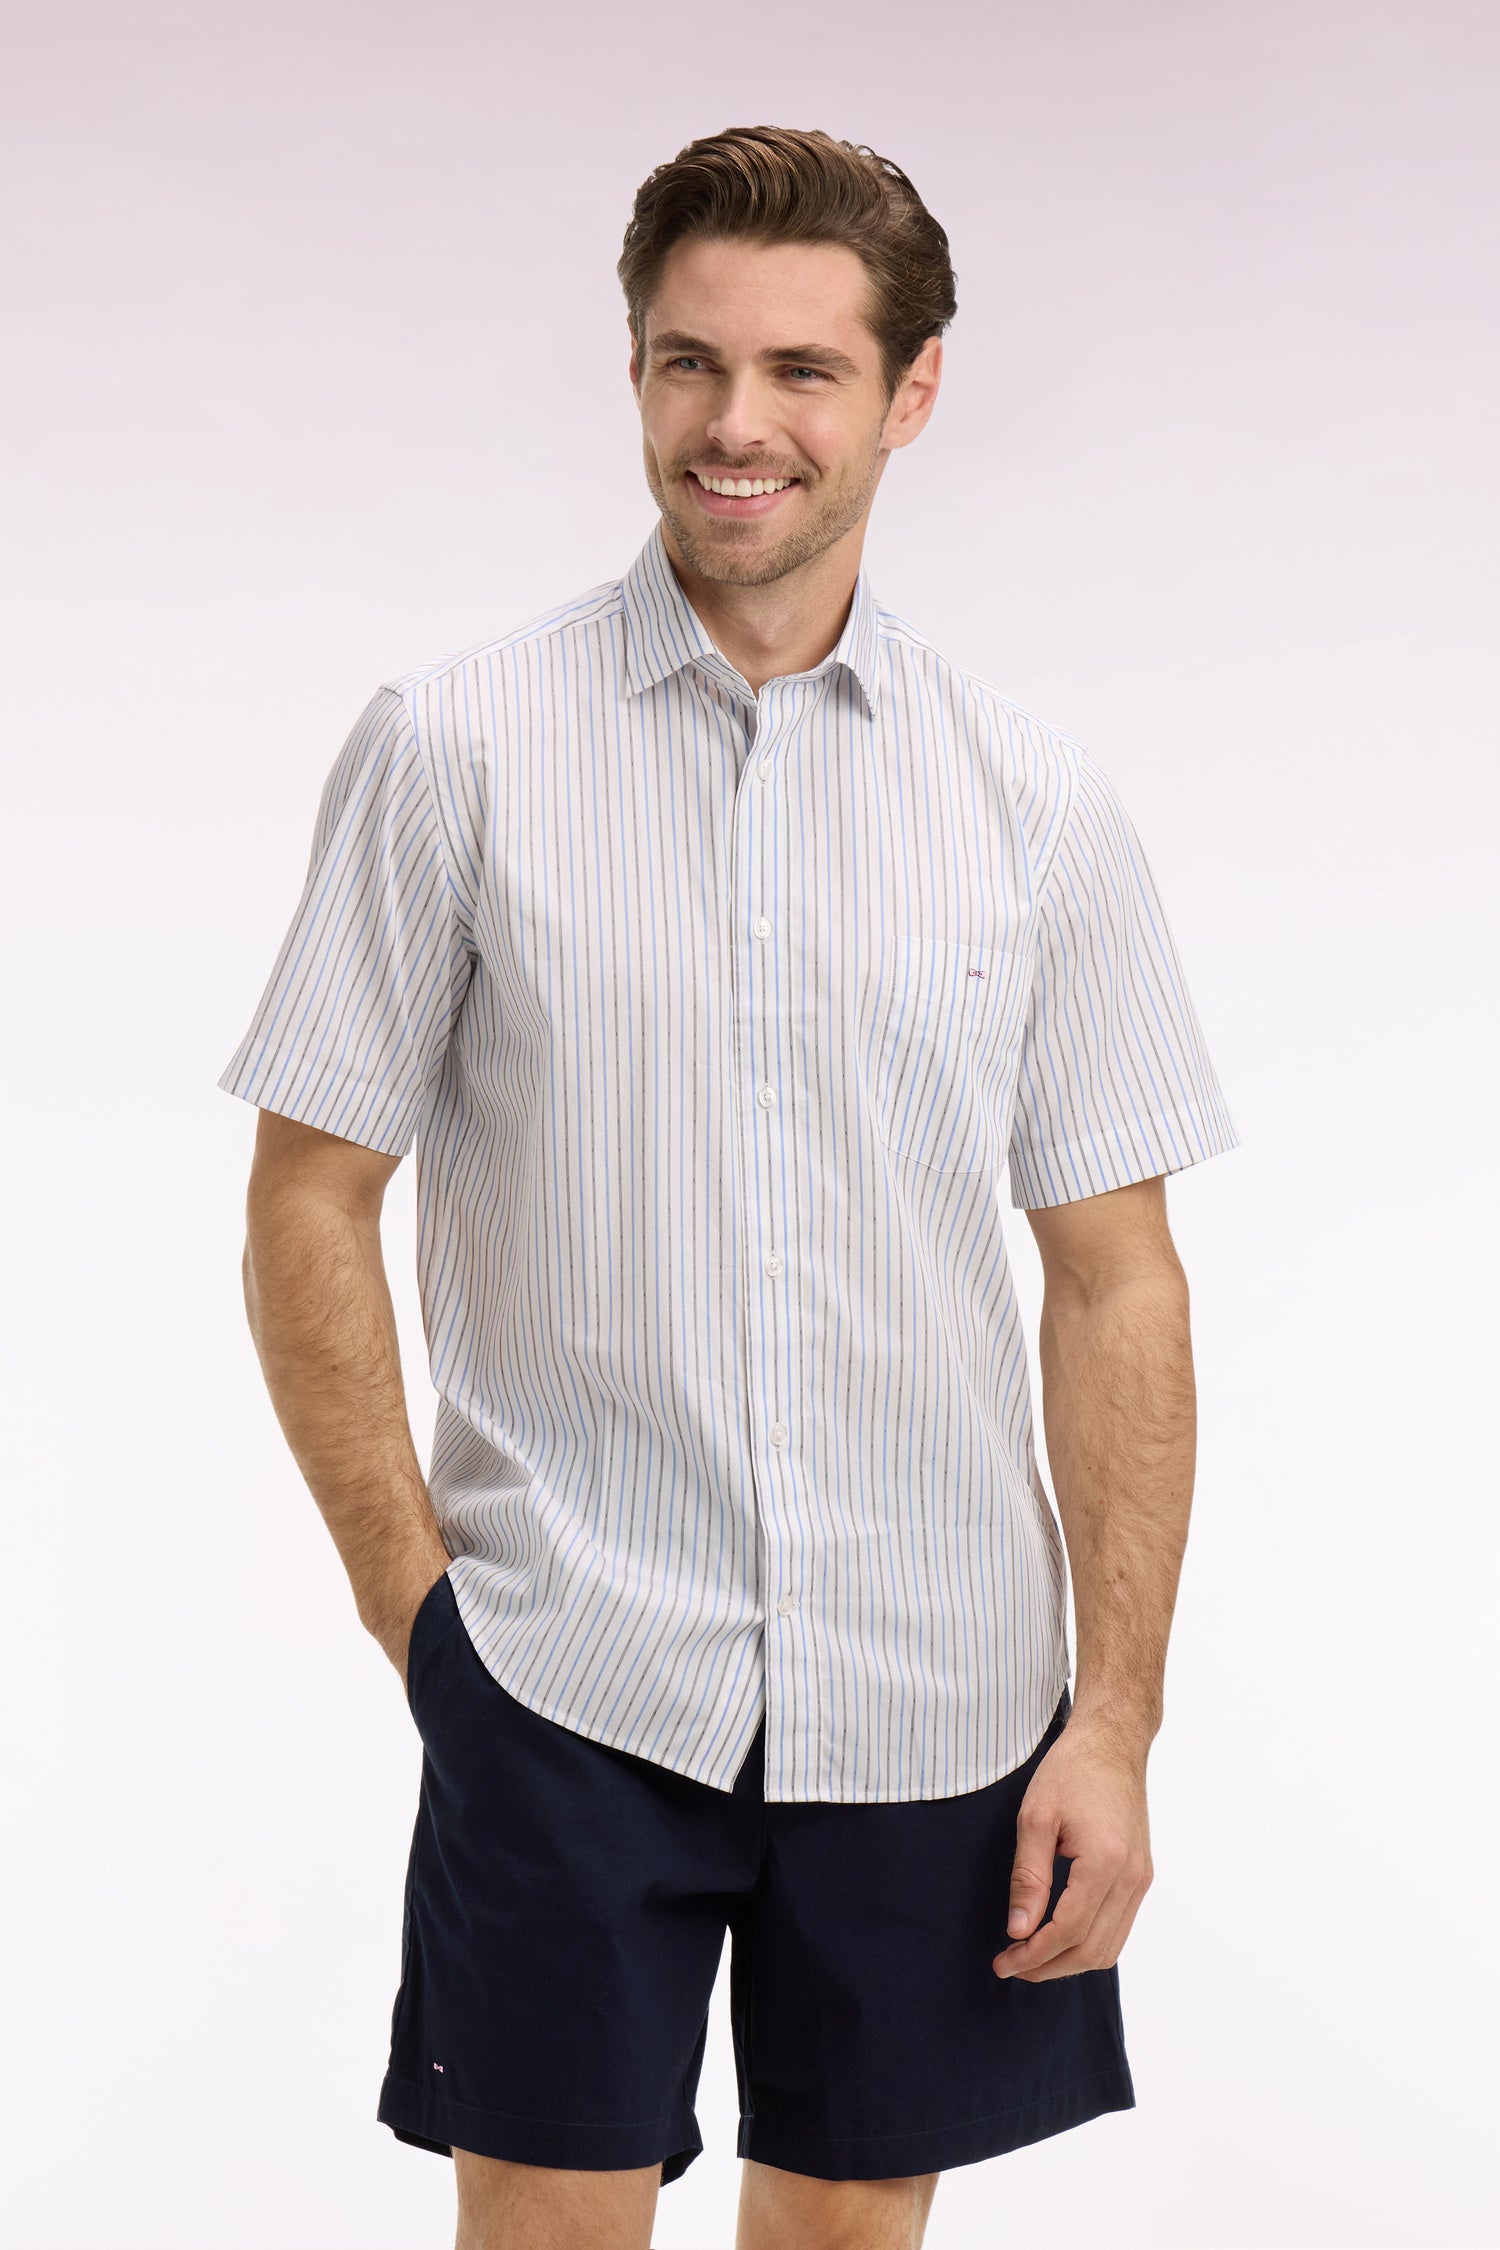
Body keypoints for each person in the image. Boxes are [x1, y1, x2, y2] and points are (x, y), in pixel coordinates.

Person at [219, 123, 1239, 2250]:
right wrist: (421, 1623)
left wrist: (1118, 1719)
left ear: (913, 391)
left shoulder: (1035, 805)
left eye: (802, 370)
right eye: (689, 362)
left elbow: (1117, 1283)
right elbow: (309, 1196)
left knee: (855, 2233)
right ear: (634, 369)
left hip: (940, 1682)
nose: (735, 423)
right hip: (569, 1664)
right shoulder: (457, 749)